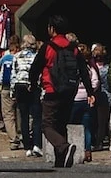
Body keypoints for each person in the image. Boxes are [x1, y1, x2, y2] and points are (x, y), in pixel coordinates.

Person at [28, 16, 80, 168]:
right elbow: (83, 70)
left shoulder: (48, 47)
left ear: (52, 29)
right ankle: (61, 160)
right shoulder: (73, 48)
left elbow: (35, 68)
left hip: (52, 89)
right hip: (69, 91)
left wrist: (33, 84)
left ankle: (64, 146)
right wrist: (90, 92)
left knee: (47, 125)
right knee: (61, 124)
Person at [10, 35, 40, 155]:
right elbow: (39, 73)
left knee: (24, 116)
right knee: (36, 116)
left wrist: (12, 90)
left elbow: (13, 73)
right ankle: (37, 144)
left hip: (19, 85)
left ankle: (27, 146)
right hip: (32, 85)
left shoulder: (16, 56)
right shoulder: (36, 56)